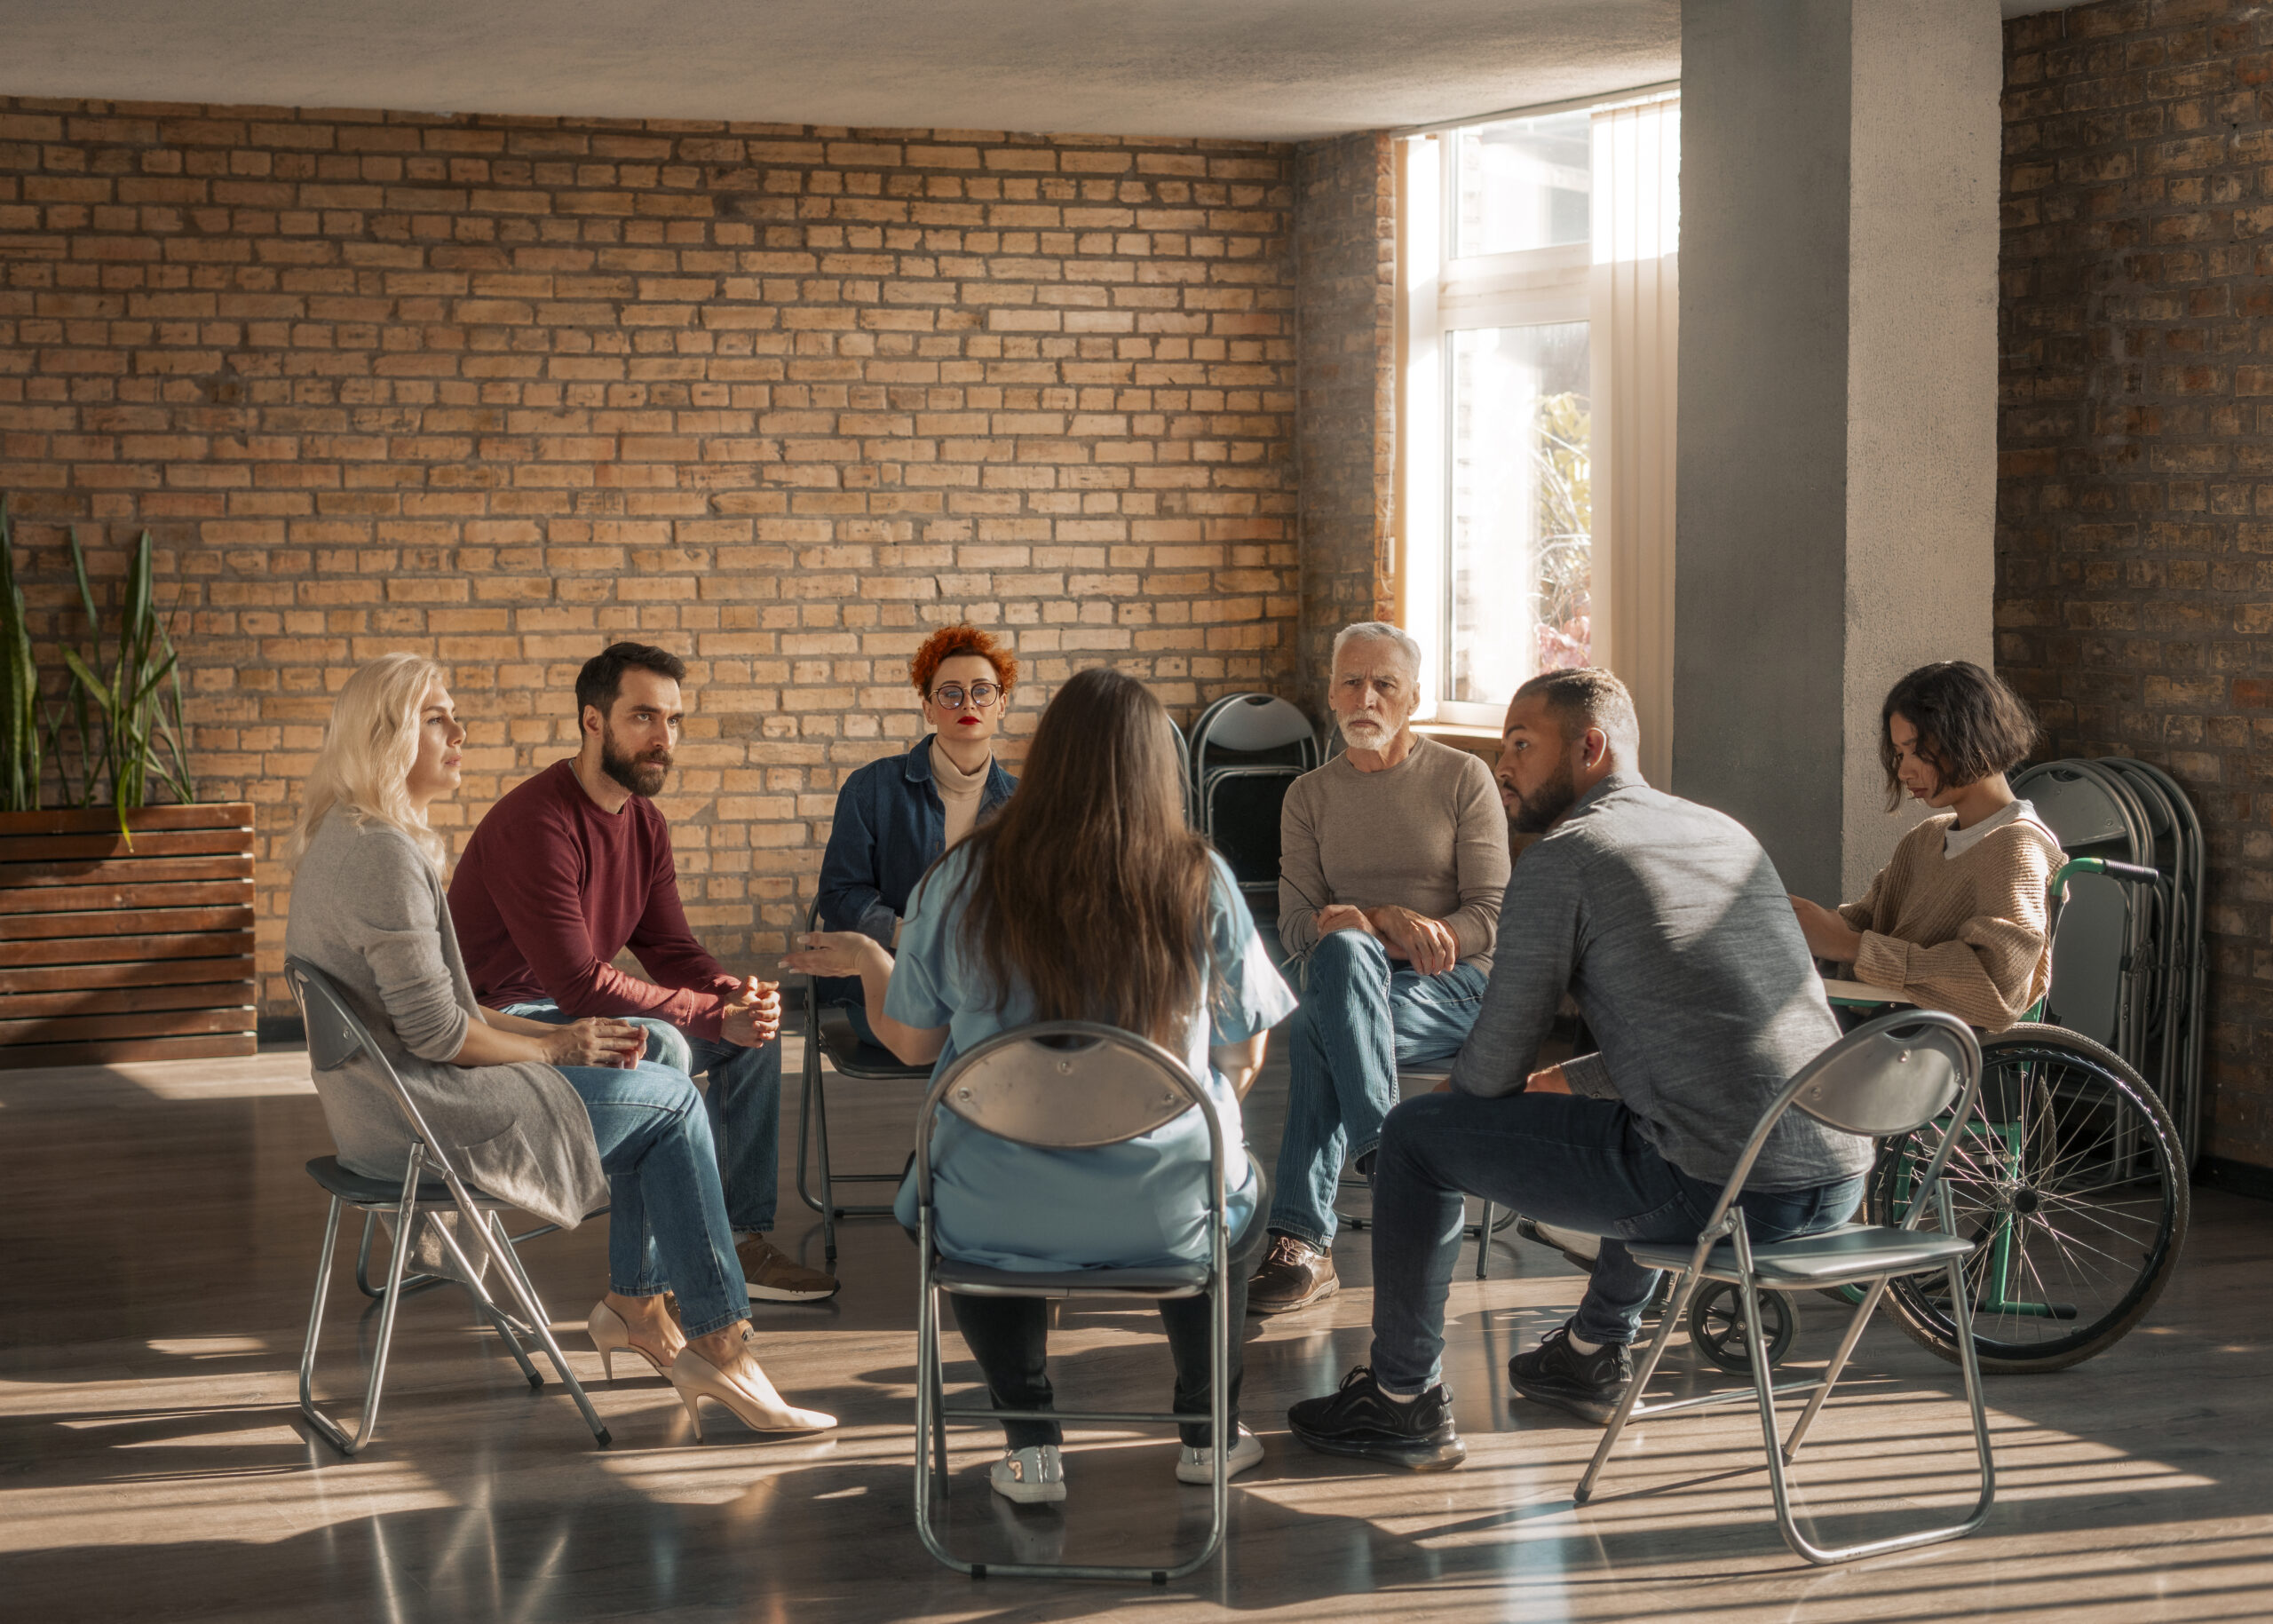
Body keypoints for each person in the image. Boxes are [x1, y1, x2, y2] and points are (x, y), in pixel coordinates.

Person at [1286, 668, 1871, 1468]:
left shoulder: (1569, 856)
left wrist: (1464, 1106)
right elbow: (1716, 1037)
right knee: (1655, 1124)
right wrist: (1575, 1079)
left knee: (1416, 1134)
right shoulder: (1723, 833)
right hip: (1837, 1180)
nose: (1503, 766)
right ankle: (1594, 1350)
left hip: (1727, 1197)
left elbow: (1492, 1066)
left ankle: (1400, 1400)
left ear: (1591, 747)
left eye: (1522, 745)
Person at [283, 654, 834, 1438]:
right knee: (670, 1091)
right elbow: (452, 1026)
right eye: (437, 718)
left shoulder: (363, 836)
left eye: (673, 720)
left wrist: (718, 1000)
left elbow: (456, 1011)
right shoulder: (395, 852)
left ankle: (656, 1297)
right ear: (388, 735)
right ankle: (713, 1340)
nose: (459, 732)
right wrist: (556, 1046)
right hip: (424, 1118)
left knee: (677, 1058)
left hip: (395, 1103)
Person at [787, 668, 1297, 1505]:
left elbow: (914, 1045)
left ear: (1044, 755)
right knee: (1234, 1197)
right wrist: (1206, 1110)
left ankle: (1030, 1445)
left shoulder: (958, 878)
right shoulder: (1198, 879)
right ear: (1155, 769)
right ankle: (1207, 1435)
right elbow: (1246, 1046)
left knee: (964, 1217)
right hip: (1164, 1207)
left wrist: (877, 963)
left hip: (990, 1208)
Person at [447, 642, 837, 1304]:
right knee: (663, 1042)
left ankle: (740, 1242)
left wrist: (734, 995)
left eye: (674, 720)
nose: (664, 738)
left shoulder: (645, 823)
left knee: (751, 1037)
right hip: (504, 1023)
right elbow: (578, 984)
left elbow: (670, 947)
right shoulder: (537, 823)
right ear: (592, 721)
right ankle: (642, 1291)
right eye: (644, 717)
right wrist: (709, 1012)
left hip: (572, 1011)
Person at [1250, 622, 1510, 1315]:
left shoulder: (1463, 777)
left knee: (1318, 1023)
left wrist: (1394, 928)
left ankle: (1302, 1245)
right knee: (1339, 956)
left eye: (1384, 683)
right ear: (1331, 693)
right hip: (1348, 977)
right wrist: (1377, 922)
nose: (1366, 695)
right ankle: (1385, 1149)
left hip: (1451, 987)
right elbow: (1299, 924)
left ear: (1414, 698)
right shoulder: (1307, 795)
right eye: (1351, 681)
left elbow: (1492, 913)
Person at [1789, 661, 2063, 1032]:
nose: (1903, 772)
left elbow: (1999, 985)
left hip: (1927, 1053)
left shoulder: (2018, 846)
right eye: (1900, 754)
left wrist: (1853, 947)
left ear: (1968, 736)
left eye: (1916, 751)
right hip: (1880, 1033)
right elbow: (1867, 919)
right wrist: (1799, 922)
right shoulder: (1927, 837)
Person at [812, 624, 1018, 1045]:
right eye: (950, 693)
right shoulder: (871, 788)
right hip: (891, 977)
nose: (968, 703)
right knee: (991, 1032)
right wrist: (911, 933)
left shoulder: (1024, 803)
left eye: (982, 691)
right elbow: (839, 894)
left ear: (1002, 704)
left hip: (985, 980)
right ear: (928, 707)